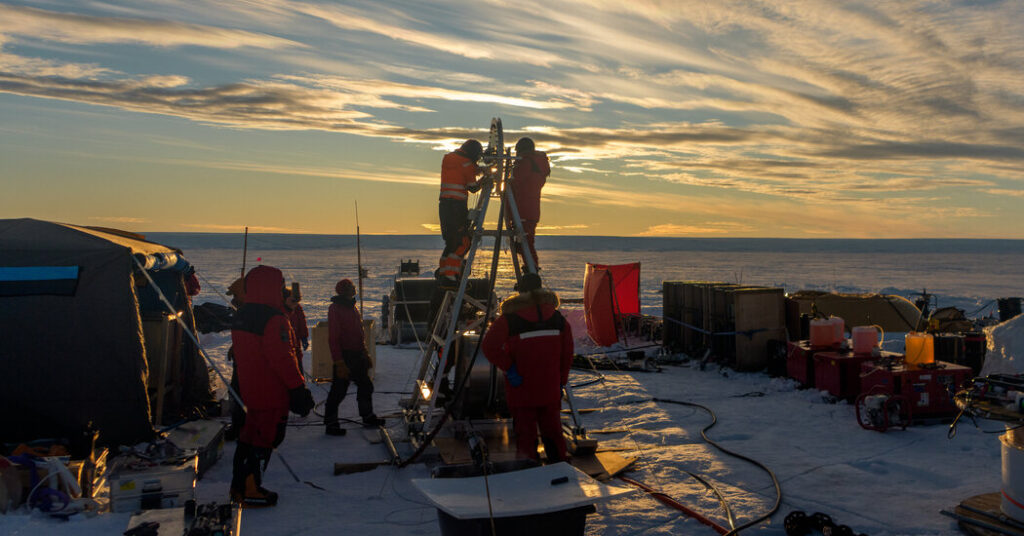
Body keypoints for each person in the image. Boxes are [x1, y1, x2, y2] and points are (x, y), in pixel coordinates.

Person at [229, 265, 314, 508]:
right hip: (271, 391)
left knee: (249, 434)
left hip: (249, 389)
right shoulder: (274, 320)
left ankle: (239, 485)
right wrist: (298, 390)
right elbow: (282, 359)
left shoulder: (242, 315)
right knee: (268, 437)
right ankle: (250, 487)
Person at [481, 273, 573, 462]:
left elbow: (488, 346)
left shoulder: (510, 320)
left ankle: (528, 471)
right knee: (553, 432)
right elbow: (567, 353)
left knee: (526, 434)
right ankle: (561, 468)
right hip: (550, 388)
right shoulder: (558, 319)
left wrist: (509, 367)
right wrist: (561, 380)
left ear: (520, 292)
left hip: (522, 389)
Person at [324, 278, 384, 436]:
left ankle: (367, 416)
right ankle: (331, 423)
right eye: (350, 287)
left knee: (365, 386)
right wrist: (339, 361)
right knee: (338, 391)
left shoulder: (352, 307)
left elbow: (359, 333)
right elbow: (333, 338)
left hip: (358, 355)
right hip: (345, 356)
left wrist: (364, 352)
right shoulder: (335, 309)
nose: (353, 289)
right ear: (344, 291)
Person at [437, 139, 484, 287]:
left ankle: (444, 273)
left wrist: (480, 169)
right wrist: (486, 179)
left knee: (450, 242)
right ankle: (451, 275)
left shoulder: (449, 158)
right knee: (463, 242)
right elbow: (473, 187)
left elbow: (464, 168)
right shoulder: (467, 164)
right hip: (457, 208)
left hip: (444, 206)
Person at [509, 137, 550, 271]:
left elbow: (515, 181)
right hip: (529, 211)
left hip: (522, 211)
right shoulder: (536, 165)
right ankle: (531, 270)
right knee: (525, 243)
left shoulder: (526, 163)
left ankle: (532, 271)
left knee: (525, 244)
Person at [284, 283, 309, 375]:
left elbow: (302, 322)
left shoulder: (297, 307)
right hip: (286, 345)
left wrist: (304, 337)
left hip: (296, 343)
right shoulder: (280, 310)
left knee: (298, 365)